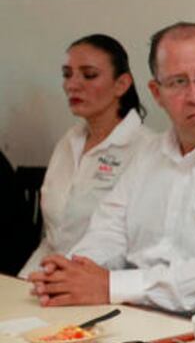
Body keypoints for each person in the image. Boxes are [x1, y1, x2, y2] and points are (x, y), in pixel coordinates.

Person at [26, 22, 195, 314]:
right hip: (128, 312)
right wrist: (74, 272)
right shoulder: (150, 153)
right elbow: (109, 230)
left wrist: (111, 286)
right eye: (177, 82)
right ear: (156, 92)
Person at [19, 34, 151, 276]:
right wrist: (27, 280)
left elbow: (135, 246)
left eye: (89, 75)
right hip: (48, 273)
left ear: (121, 84)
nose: (73, 85)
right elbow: (51, 239)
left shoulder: (146, 149)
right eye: (67, 74)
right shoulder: (68, 142)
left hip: (104, 283)